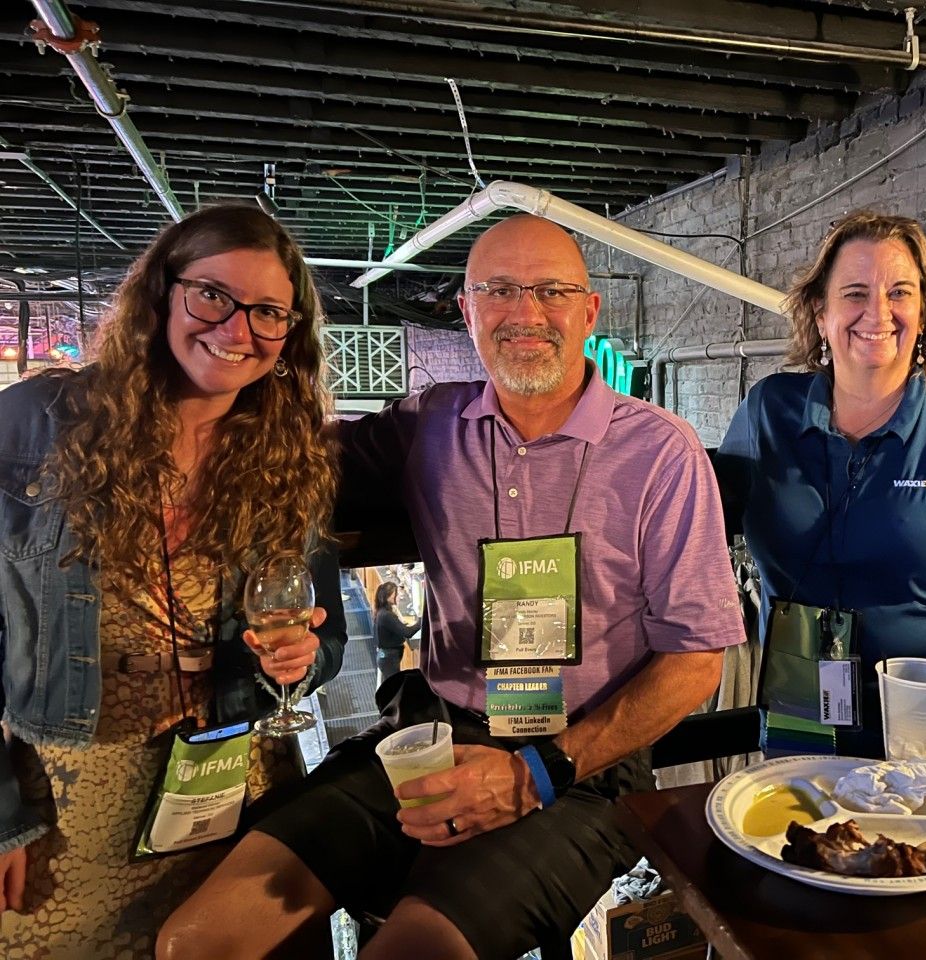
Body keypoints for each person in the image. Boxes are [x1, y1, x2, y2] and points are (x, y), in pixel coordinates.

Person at [161, 214, 745, 960]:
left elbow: (698, 661)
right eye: (498, 291)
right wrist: (165, 414)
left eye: (551, 291)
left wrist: (541, 770)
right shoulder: (430, 423)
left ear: (588, 310)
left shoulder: (661, 451)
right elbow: (285, 462)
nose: (526, 313)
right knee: (198, 940)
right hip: (432, 734)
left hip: (580, 764)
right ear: (466, 311)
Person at [0, 204, 346, 957]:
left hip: (238, 776)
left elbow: (325, 635)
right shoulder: (35, 423)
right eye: (213, 296)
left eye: (268, 313)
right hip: (62, 796)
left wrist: (299, 662)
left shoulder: (290, 454)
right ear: (162, 294)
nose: (237, 329)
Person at [715, 211, 926, 758]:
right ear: (820, 312)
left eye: (900, 292)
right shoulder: (766, 414)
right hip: (804, 707)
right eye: (854, 293)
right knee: (802, 836)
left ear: (923, 310)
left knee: (922, 843)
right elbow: (697, 534)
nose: (879, 312)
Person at [374, 581, 421, 686]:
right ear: (389, 597)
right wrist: (422, 621)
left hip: (386, 657)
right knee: (395, 688)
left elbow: (396, 627)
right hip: (389, 659)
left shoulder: (382, 612)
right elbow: (407, 632)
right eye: (397, 594)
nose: (399, 597)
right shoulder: (386, 615)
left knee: (391, 687)